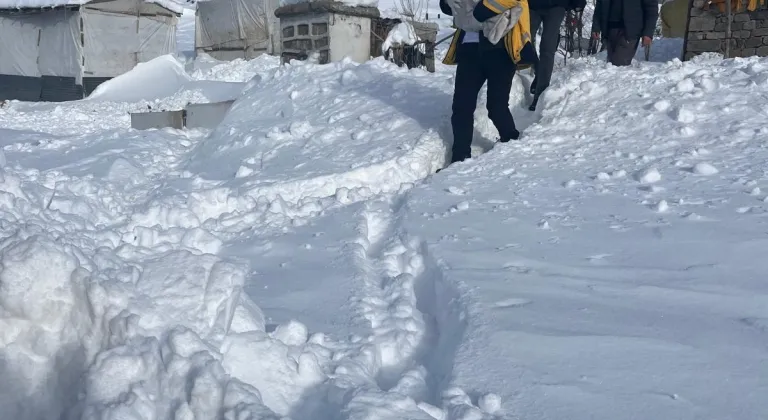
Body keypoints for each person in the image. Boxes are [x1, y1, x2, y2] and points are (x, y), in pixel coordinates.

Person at [439, 0, 538, 166]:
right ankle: (459, 159)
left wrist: (482, 10)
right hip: (469, 49)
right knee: (462, 106)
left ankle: (511, 143)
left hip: (501, 49)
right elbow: (450, 8)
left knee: (496, 107)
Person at [527, 0, 586, 110]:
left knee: (547, 48)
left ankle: (539, 94)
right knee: (525, 43)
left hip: (557, 5)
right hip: (532, 5)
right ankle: (539, 72)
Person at [591, 0, 659, 66]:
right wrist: (596, 27)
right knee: (611, 65)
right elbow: (599, 6)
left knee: (619, 65)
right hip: (610, 29)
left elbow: (651, 9)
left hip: (630, 31)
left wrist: (648, 33)